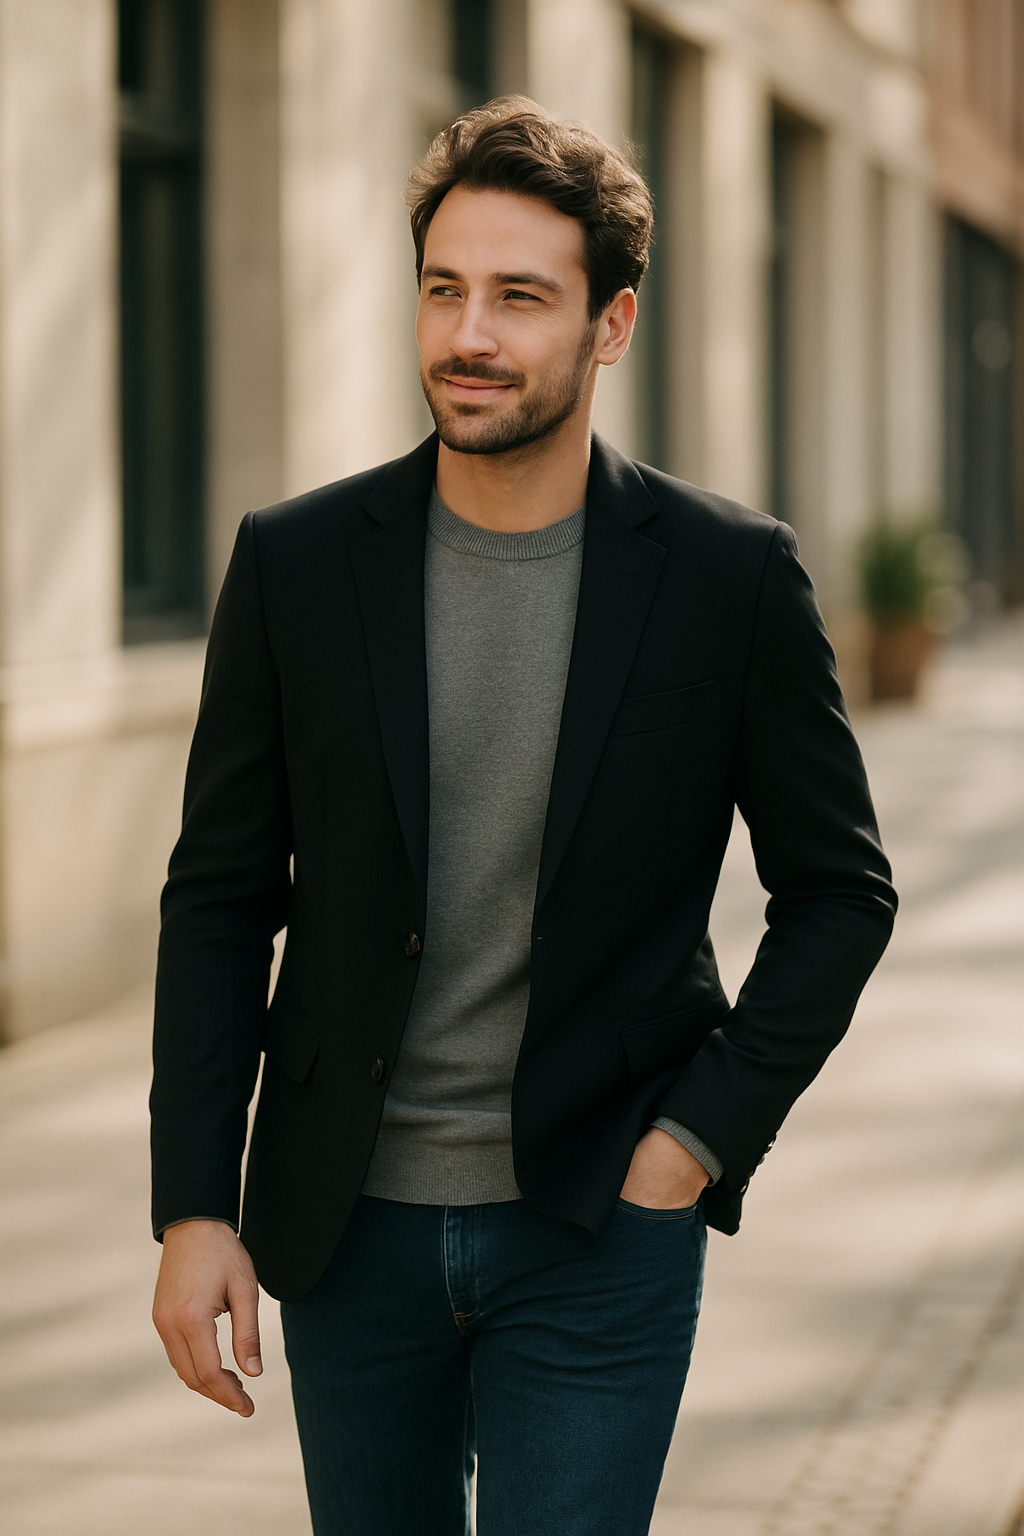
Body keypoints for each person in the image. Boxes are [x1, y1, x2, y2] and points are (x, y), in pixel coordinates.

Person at [150, 97, 896, 1536]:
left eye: (519, 297)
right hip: (343, 1225)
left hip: (598, 1229)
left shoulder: (728, 577)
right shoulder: (296, 565)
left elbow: (841, 894)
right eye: (443, 289)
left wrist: (696, 1143)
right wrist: (194, 1204)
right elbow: (222, 898)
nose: (468, 334)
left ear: (611, 326)